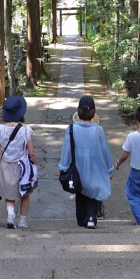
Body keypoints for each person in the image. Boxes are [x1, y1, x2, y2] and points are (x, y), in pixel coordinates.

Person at [58, 95, 114, 229]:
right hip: (95, 165)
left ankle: (83, 219)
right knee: (93, 189)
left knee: (80, 188)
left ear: (78, 111)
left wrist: (63, 166)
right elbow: (105, 151)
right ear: (93, 112)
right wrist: (109, 168)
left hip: (78, 166)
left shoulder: (71, 129)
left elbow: (67, 150)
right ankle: (91, 217)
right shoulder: (98, 130)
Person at [0, 95, 36, 229]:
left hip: (5, 165)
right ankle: (22, 221)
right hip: (22, 167)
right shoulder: (25, 130)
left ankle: (10, 215)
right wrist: (34, 163)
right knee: (25, 194)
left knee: (9, 194)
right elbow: (31, 152)